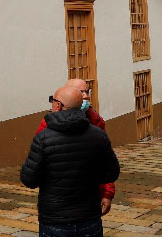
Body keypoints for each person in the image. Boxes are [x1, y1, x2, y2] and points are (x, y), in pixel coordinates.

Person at [21, 86, 119, 237]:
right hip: (89, 216)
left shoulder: (44, 138)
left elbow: (29, 180)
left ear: (58, 105)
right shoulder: (98, 135)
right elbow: (111, 173)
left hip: (55, 219)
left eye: (52, 101)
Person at [35, 79, 115, 216]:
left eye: (87, 91)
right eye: (81, 92)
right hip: (59, 202)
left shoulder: (96, 121)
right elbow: (37, 165)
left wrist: (107, 193)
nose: (86, 96)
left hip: (89, 199)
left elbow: (105, 161)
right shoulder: (48, 125)